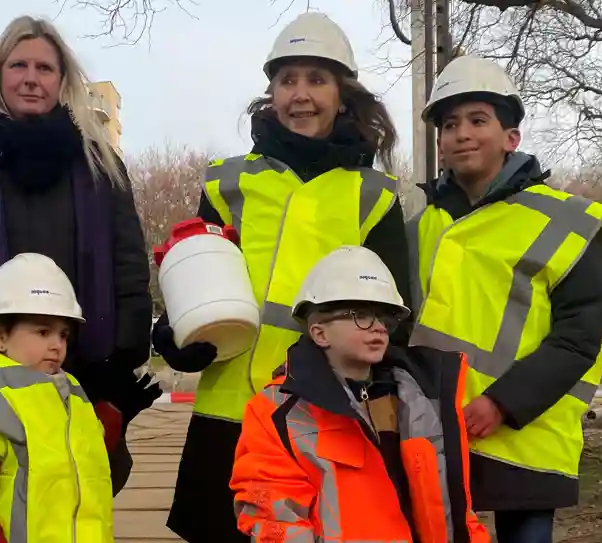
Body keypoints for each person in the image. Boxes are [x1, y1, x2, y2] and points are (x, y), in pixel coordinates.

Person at [151, 12, 412, 542]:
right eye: (287, 80)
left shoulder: (375, 195)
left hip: (327, 414)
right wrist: (176, 335)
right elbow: (192, 275)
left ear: (344, 94)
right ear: (271, 92)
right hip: (229, 409)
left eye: (317, 79)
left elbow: (393, 314)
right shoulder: (229, 182)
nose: (301, 94)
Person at [0, 16, 160, 492]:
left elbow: (128, 262)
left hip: (80, 367)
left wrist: (123, 355)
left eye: (44, 67)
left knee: (75, 490)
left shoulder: (100, 164)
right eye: (18, 64)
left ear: (62, 80)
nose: (30, 78)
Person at [408, 55, 602, 543]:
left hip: (526, 440)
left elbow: (577, 338)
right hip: (436, 436)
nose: (461, 133)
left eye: (478, 120)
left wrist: (501, 402)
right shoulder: (420, 228)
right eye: (449, 124)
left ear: (511, 138)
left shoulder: (567, 223)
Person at [231, 246, 489, 542]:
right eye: (362, 315)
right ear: (320, 333)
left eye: (384, 318)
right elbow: (277, 518)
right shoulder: (275, 412)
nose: (379, 327)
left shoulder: (421, 399)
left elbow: (457, 508)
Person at [0, 253, 130, 543]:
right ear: (0, 336)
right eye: (43, 331)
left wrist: (112, 419)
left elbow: (72, 455)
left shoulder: (70, 389)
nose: (57, 345)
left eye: (64, 334)